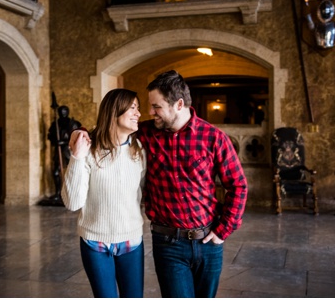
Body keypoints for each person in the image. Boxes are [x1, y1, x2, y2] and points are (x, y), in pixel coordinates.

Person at [71, 70, 248, 298]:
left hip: (208, 242)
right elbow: (110, 128)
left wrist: (223, 230)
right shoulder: (146, 133)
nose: (150, 112)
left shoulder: (213, 137)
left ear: (179, 104)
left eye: (156, 106)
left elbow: (238, 185)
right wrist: (79, 133)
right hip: (168, 243)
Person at [62, 89, 146, 298]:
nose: (138, 114)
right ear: (115, 110)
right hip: (95, 242)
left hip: (131, 240)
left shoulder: (139, 150)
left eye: (138, 108)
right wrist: (77, 156)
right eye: (133, 107)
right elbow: (72, 203)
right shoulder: (89, 150)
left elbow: (143, 192)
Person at [47, 105, 81, 203]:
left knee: (73, 171)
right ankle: (58, 193)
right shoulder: (55, 124)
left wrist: (63, 142)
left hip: (69, 150)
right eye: (60, 111)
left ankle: (73, 193)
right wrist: (55, 141)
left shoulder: (72, 124)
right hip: (58, 151)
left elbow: (76, 138)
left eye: (64, 111)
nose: (62, 113)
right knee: (56, 172)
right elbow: (50, 136)